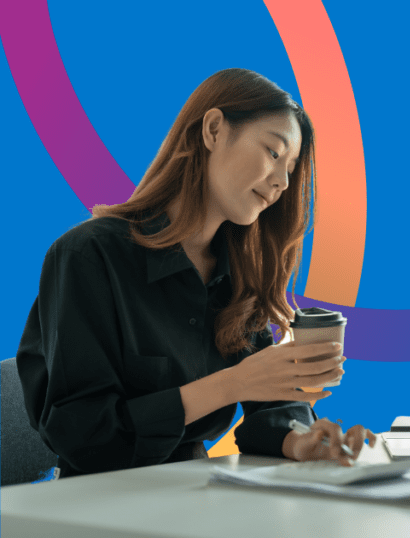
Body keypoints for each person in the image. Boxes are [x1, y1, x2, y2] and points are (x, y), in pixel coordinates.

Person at [15, 68, 374, 479]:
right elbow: (84, 435)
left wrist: (301, 441)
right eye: (274, 153)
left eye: (291, 170)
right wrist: (231, 384)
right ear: (214, 129)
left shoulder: (237, 275)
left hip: (197, 492)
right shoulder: (88, 256)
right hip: (99, 505)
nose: (281, 183)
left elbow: (269, 404)